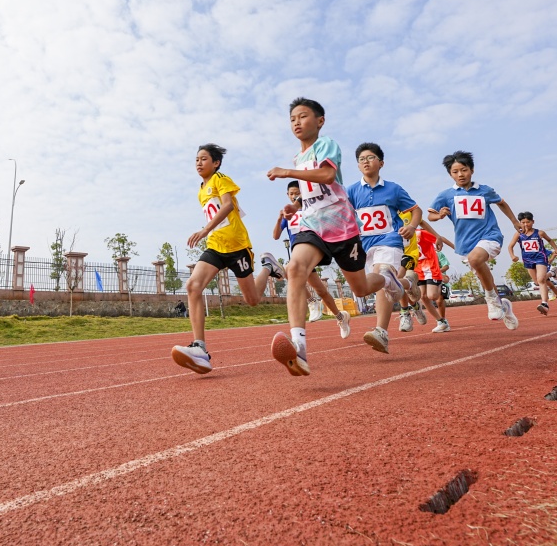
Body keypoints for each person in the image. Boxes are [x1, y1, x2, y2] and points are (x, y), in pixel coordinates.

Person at [266, 98, 404, 375]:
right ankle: (299, 347)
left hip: (341, 225)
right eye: (292, 118)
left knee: (361, 289)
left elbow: (328, 175)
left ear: (319, 121)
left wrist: (286, 172)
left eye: (303, 116)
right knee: (295, 268)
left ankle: (388, 278)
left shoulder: (325, 144)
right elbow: (311, 194)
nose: (296, 122)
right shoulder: (298, 158)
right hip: (311, 223)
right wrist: (296, 206)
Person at [171, 144, 286, 374]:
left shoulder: (220, 179)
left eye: (204, 159)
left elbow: (228, 206)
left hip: (237, 246)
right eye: (196, 159)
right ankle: (200, 348)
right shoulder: (201, 191)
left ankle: (267, 267)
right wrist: (209, 234)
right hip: (215, 246)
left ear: (216, 163)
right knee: (193, 286)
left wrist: (204, 230)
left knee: (252, 300)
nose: (199, 163)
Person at [428, 151, 520, 330]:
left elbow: (501, 203)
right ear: (450, 174)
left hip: (489, 235)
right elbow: (430, 215)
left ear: (472, 170)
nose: (460, 175)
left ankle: (492, 300)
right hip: (465, 242)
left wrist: (515, 221)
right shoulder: (446, 195)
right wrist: (439, 215)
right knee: (480, 272)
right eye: (455, 172)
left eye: (464, 170)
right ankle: (505, 307)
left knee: (476, 259)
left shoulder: (484, 190)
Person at [346, 142, 421, 352]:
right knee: (364, 287)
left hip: (390, 240)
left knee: (381, 274)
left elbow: (416, 211)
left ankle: (381, 332)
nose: (366, 162)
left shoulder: (394, 189)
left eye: (370, 158)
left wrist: (412, 227)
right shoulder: (351, 191)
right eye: (361, 159)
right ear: (358, 166)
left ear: (381, 163)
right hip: (364, 244)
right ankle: (408, 283)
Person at [273, 180, 351, 338]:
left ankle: (312, 302)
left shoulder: (311, 209)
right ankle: (341, 317)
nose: (294, 196)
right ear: (287, 195)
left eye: (297, 193)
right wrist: (279, 218)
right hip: (298, 254)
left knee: (290, 270)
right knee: (321, 290)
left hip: (310, 250)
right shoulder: (288, 213)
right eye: (291, 194)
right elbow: (275, 236)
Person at [507, 211, 557, 315]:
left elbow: (550, 240)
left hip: (540, 258)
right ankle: (552, 272)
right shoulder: (518, 234)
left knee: (541, 280)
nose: (525, 224)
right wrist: (513, 256)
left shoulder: (539, 233)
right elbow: (510, 246)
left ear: (533, 222)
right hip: (528, 260)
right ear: (519, 223)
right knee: (538, 282)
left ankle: (544, 304)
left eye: (528, 222)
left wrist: (556, 249)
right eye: (523, 222)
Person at [433, 248, 452, 332]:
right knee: (424, 297)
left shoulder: (438, 253)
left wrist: (437, 272)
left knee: (439, 300)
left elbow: (446, 266)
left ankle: (442, 321)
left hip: (440, 279)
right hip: (426, 280)